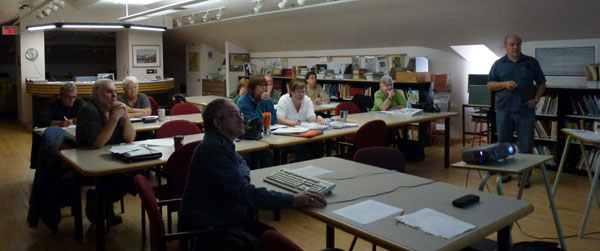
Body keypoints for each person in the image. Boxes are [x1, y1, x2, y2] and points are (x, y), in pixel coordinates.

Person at [179, 98, 326, 249]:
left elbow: (241, 162)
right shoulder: (214, 148)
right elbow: (245, 194)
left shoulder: (220, 143)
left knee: (271, 237)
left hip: (221, 217)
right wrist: (293, 200)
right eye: (233, 115)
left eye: (240, 114)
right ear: (218, 123)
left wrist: (241, 179)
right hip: (207, 230)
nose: (241, 119)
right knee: (271, 242)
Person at [487, 34, 546, 188]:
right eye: (512, 44)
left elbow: (542, 84)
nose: (515, 47)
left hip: (525, 110)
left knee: (526, 145)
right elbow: (490, 85)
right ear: (505, 46)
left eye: (518, 44)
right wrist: (505, 84)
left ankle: (524, 177)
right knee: (503, 144)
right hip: (503, 110)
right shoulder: (498, 64)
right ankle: (504, 173)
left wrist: (536, 99)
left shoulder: (531, 62)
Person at [76, 79, 137, 225]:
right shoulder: (89, 110)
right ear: (97, 95)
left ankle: (101, 200)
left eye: (115, 92)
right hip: (89, 159)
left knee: (138, 174)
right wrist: (115, 118)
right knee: (127, 179)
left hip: (112, 156)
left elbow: (129, 138)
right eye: (109, 92)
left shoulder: (114, 109)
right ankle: (101, 201)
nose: (114, 96)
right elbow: (98, 143)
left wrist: (126, 115)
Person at [30, 82, 85, 169]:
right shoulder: (52, 104)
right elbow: (41, 120)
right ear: (61, 96)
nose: (72, 100)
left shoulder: (79, 102)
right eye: (68, 97)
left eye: (74, 97)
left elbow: (86, 116)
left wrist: (73, 121)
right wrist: (60, 123)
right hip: (55, 136)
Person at [277, 79, 327, 161]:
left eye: (303, 92)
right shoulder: (284, 100)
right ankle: (298, 169)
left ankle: (310, 169)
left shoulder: (307, 100)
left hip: (304, 133)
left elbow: (311, 117)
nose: (301, 95)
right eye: (298, 92)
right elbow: (279, 119)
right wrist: (292, 123)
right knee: (303, 151)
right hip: (288, 135)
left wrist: (318, 118)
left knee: (319, 149)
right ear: (291, 92)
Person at [237, 75, 277, 169]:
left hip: (264, 136)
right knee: (258, 157)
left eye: (265, 85)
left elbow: (273, 120)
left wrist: (268, 102)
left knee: (268, 157)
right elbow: (254, 122)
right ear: (252, 88)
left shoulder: (267, 100)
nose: (263, 88)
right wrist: (260, 103)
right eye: (260, 86)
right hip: (248, 138)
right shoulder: (243, 101)